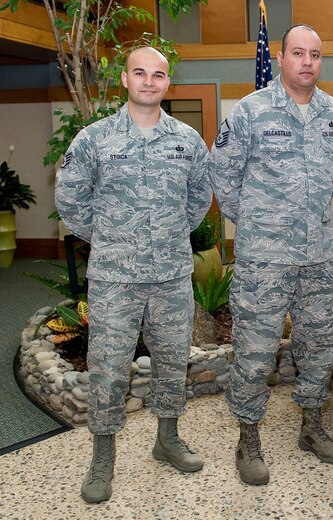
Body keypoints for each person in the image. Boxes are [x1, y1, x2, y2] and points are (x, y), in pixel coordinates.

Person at [55, 46, 213, 503]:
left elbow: (198, 200)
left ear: (167, 83)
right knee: (108, 370)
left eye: (158, 75)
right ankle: (102, 456)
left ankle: (167, 438)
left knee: (171, 362)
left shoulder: (186, 140)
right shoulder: (93, 139)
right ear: (125, 80)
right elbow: (70, 200)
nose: (149, 81)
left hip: (169, 277)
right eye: (140, 73)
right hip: (115, 279)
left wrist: (163, 236)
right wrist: (111, 237)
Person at [209, 24, 333, 486]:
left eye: (315, 54)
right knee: (255, 350)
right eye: (298, 53)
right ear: (281, 57)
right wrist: (256, 223)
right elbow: (223, 176)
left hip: (317, 257)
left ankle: (311, 425)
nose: (307, 62)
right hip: (263, 259)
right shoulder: (250, 111)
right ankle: (248, 437)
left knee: (319, 343)